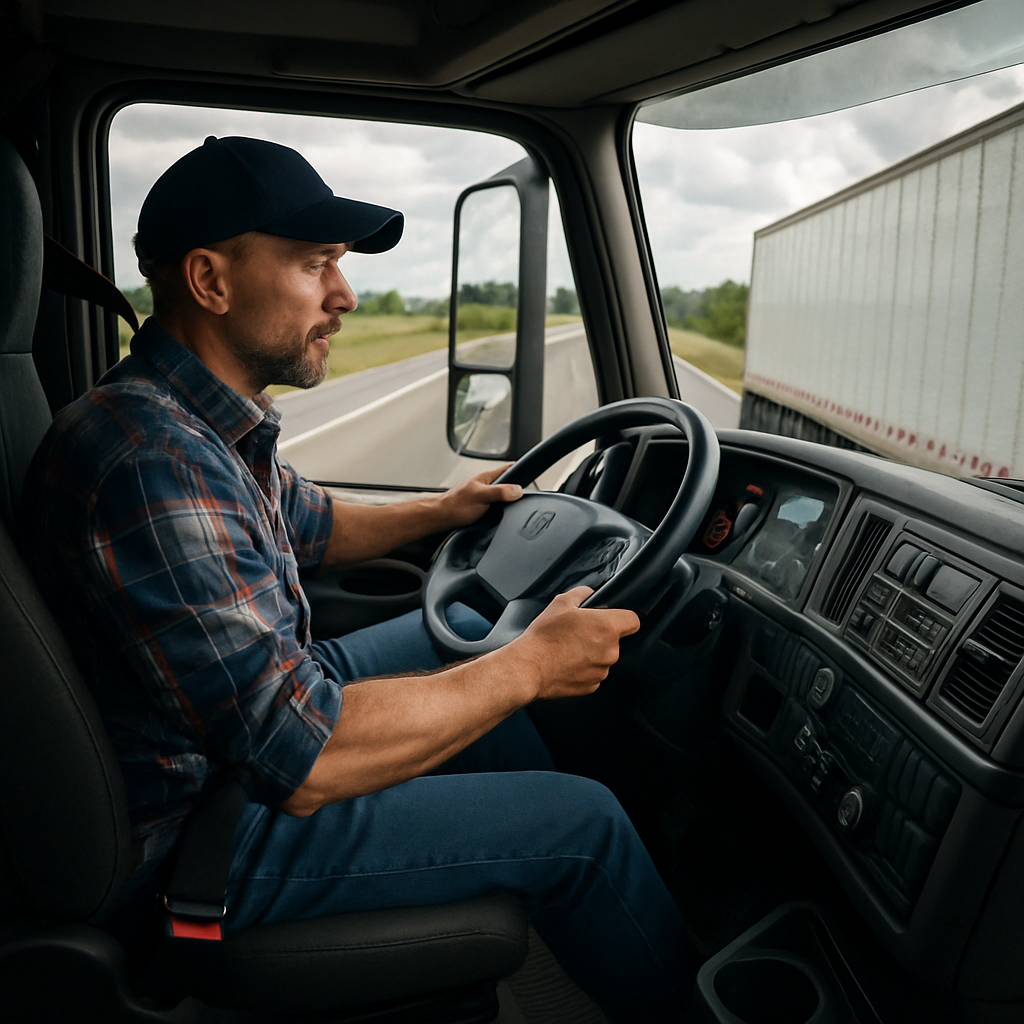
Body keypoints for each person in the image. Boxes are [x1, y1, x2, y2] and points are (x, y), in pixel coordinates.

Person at [21, 136, 695, 1022]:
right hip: (204, 832)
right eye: (315, 264)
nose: (344, 296)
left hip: (222, 733)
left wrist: (444, 511)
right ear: (211, 281)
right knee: (586, 822)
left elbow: (311, 523)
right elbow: (300, 756)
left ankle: (500, 879)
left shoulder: (191, 417)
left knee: (458, 649)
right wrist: (529, 666)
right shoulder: (153, 460)